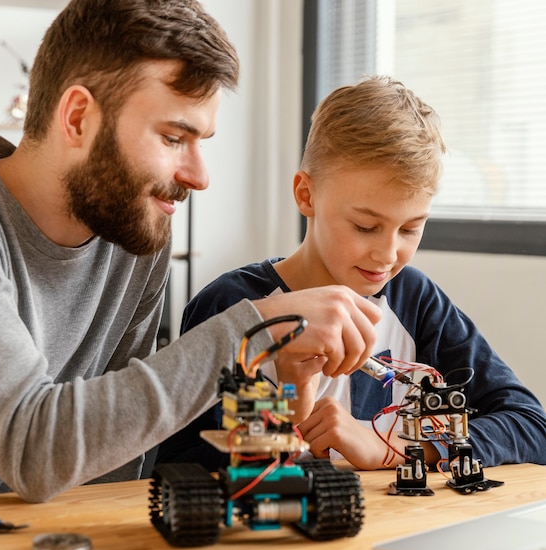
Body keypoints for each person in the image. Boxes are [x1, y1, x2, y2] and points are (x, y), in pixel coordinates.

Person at [0, 0, 382, 502]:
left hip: (44, 548)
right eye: (172, 137)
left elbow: (117, 458)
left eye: (200, 141)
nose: (199, 176)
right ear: (77, 118)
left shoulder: (130, 226)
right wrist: (253, 330)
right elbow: (34, 445)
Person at [157, 75, 546, 473]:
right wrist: (286, 416)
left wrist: (391, 445)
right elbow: (174, 466)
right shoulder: (231, 308)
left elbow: (531, 425)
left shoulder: (414, 300)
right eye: (365, 226)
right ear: (306, 195)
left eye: (411, 228)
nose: (389, 254)